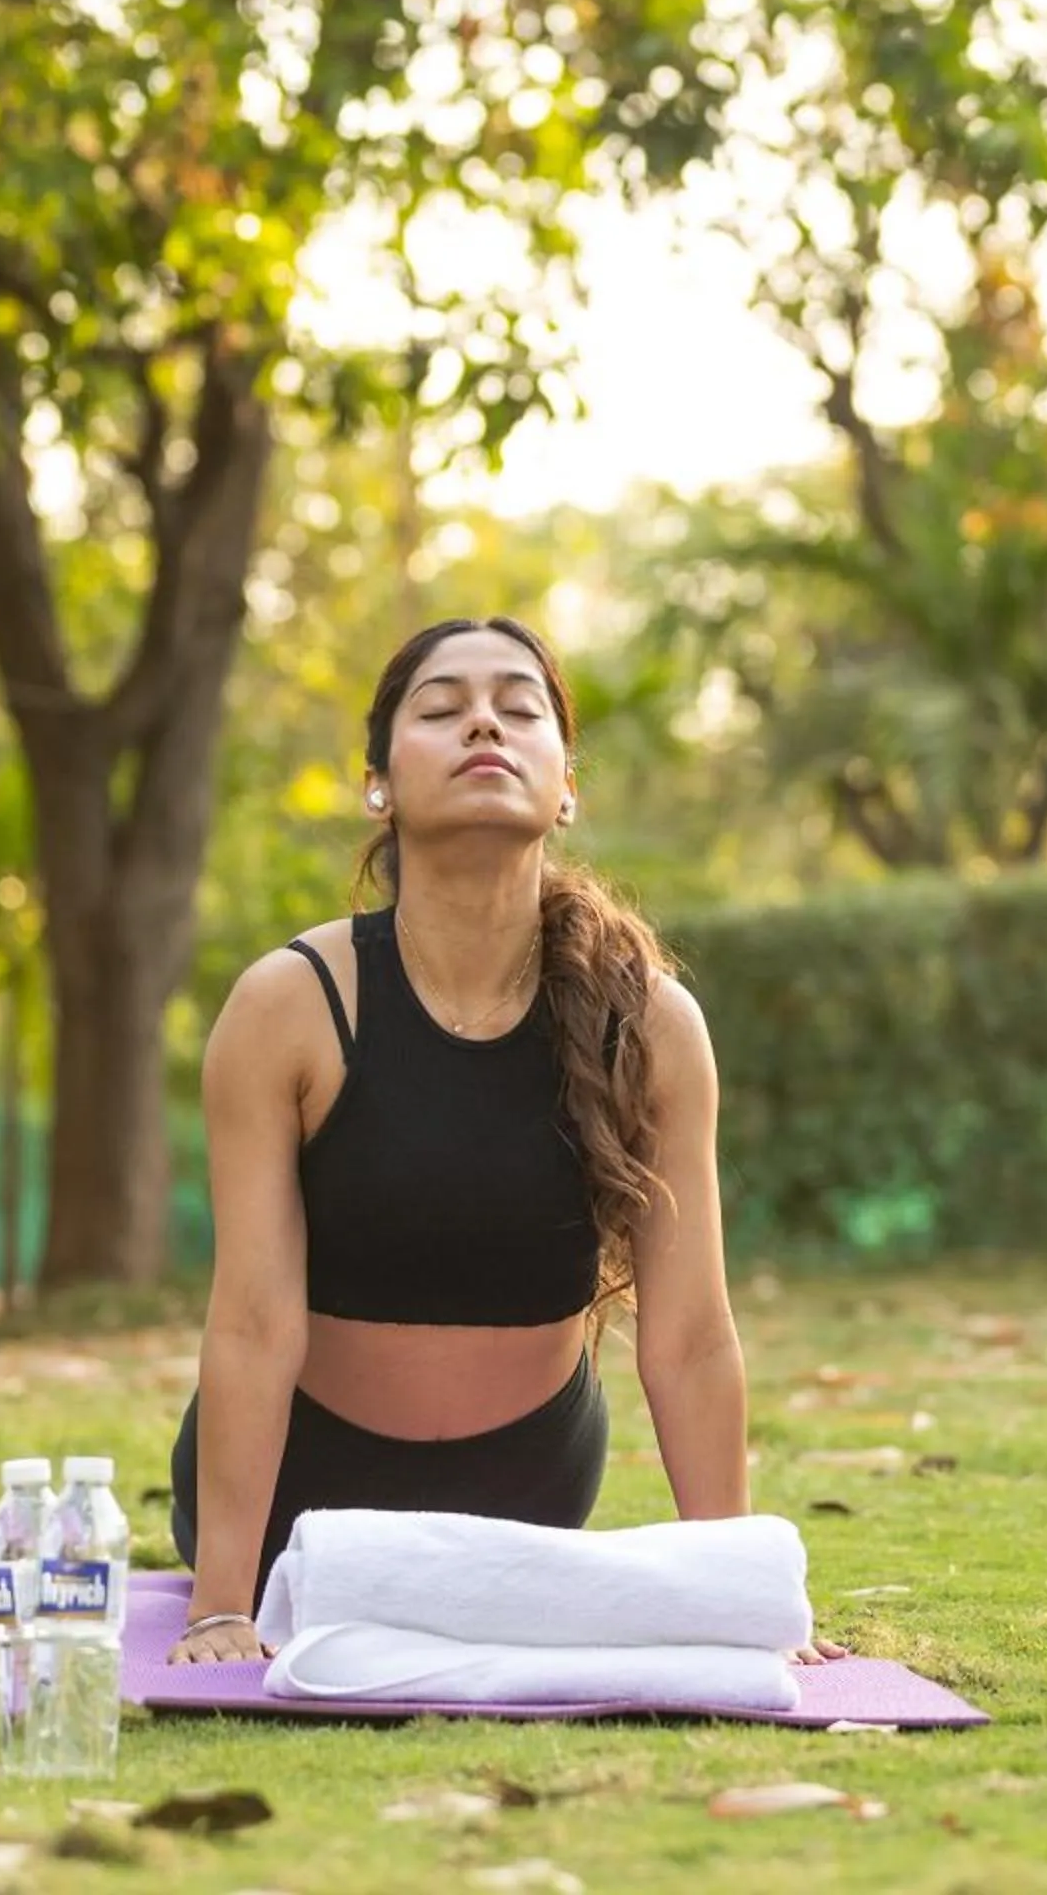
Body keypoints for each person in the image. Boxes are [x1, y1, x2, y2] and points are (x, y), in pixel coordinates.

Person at [167, 617, 833, 1665]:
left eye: (520, 707)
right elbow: (251, 1323)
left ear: (565, 784)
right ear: (378, 784)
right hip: (304, 1488)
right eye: (440, 708)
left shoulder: (650, 1023)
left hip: (524, 1494)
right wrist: (218, 1607)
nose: (484, 720)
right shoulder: (289, 1005)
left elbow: (692, 1333)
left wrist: (730, 1601)